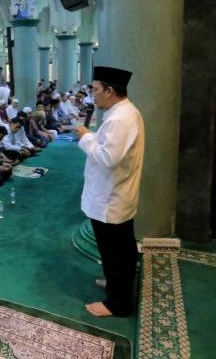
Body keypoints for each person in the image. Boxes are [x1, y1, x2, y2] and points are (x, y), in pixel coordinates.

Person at [75, 66, 145, 318]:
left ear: (109, 90)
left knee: (115, 250)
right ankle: (117, 285)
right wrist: (93, 137)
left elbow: (107, 156)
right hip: (115, 194)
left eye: (95, 89)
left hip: (110, 199)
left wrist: (85, 136)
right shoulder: (123, 112)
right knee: (120, 248)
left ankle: (118, 304)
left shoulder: (119, 118)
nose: (92, 94)